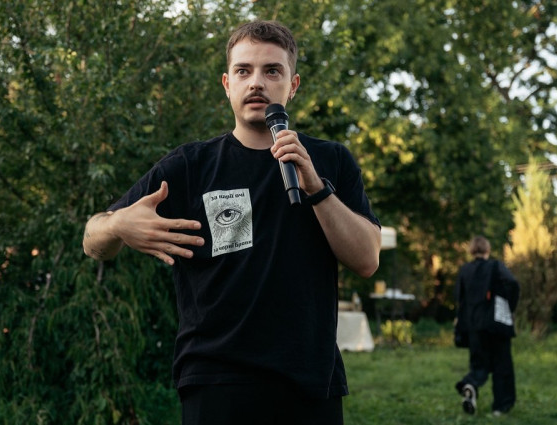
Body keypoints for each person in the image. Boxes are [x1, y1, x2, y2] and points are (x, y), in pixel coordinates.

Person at [83, 20, 381, 425]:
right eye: (244, 71)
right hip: (216, 382)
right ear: (227, 84)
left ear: (293, 85)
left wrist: (316, 187)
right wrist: (118, 225)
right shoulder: (191, 166)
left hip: (310, 383)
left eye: (272, 71)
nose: (256, 82)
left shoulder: (331, 160)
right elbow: (92, 238)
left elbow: (367, 259)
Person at [454, 236, 520, 416]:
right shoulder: (495, 266)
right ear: (487, 250)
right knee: (502, 364)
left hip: (473, 325)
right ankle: (501, 406)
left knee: (479, 364)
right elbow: (513, 283)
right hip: (496, 323)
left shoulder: (465, 270)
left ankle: (470, 384)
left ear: (471, 250)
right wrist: (510, 306)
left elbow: (459, 298)